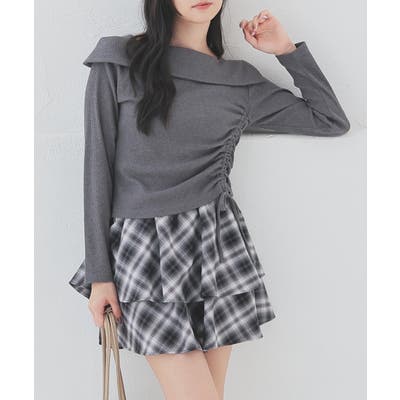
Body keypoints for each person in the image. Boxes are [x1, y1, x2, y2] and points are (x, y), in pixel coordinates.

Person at [68, 1, 350, 399]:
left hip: (217, 249)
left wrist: (286, 50)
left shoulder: (238, 82)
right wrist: (101, 277)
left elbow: (330, 119)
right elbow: (96, 170)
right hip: (144, 254)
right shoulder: (120, 61)